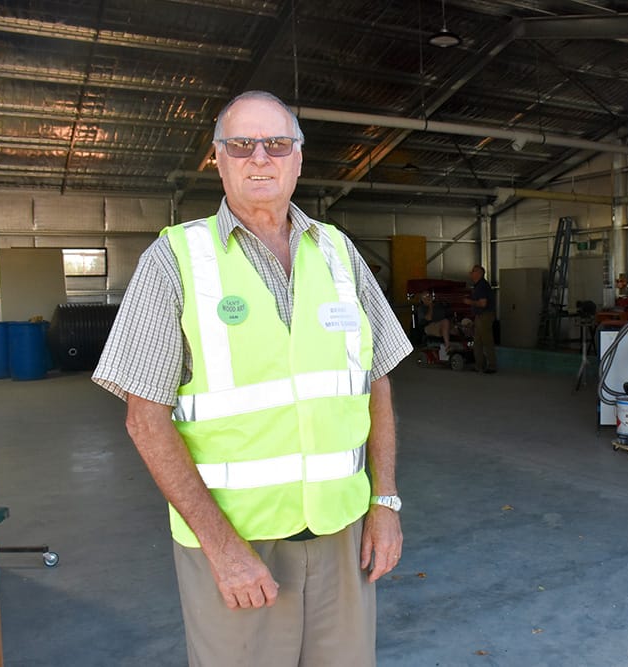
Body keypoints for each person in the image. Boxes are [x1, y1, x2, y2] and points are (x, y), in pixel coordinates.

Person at [92, 90, 412, 667]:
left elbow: (377, 381)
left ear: (298, 158)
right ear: (217, 157)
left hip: (343, 537)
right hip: (239, 548)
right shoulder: (175, 260)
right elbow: (145, 419)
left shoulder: (340, 252)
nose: (259, 157)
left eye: (276, 143)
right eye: (241, 144)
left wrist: (384, 502)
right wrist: (222, 548)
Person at [464, 265, 496, 373]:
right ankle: (479, 365)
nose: (470, 273)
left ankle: (491, 366)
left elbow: (483, 303)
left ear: (479, 273)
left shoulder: (482, 286)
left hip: (484, 316)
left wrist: (470, 302)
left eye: (473, 271)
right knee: (477, 341)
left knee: (486, 340)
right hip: (480, 316)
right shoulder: (478, 286)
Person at [416, 291, 451, 360]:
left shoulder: (437, 305)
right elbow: (428, 318)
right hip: (428, 326)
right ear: (422, 300)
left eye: (429, 296)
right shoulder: (421, 308)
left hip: (441, 324)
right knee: (445, 322)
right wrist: (430, 306)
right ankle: (447, 346)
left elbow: (445, 314)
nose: (428, 298)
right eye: (425, 297)